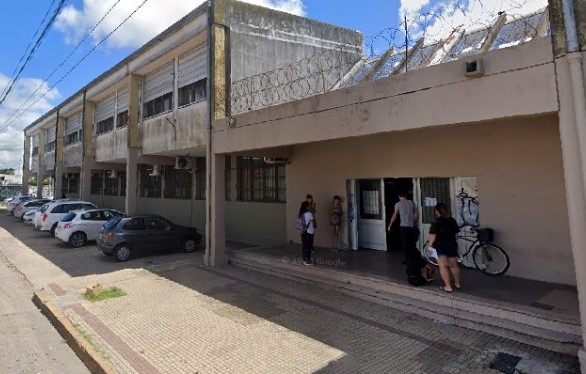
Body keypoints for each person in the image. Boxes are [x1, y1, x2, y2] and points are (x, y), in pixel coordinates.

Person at [429, 202, 461, 293]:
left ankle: (448, 286)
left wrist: (430, 245)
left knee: (443, 266)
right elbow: (456, 235)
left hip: (440, 246)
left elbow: (432, 236)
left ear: (437, 211)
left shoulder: (436, 222)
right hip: (452, 245)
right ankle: (457, 283)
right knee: (454, 265)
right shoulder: (452, 220)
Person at [387, 191, 419, 263]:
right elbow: (417, 214)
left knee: (405, 243)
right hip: (411, 226)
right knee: (412, 243)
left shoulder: (398, 204)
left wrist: (390, 225)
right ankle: (413, 258)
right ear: (405, 195)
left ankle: (407, 259)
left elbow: (394, 215)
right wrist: (415, 223)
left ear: (399, 196)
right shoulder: (412, 203)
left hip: (403, 227)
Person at [298, 201, 316, 265]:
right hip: (309, 231)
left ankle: (304, 259)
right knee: (309, 246)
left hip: (303, 231)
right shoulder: (309, 214)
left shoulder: (301, 214)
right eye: (309, 205)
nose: (309, 206)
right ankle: (308, 260)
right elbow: (314, 223)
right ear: (307, 207)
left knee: (304, 245)